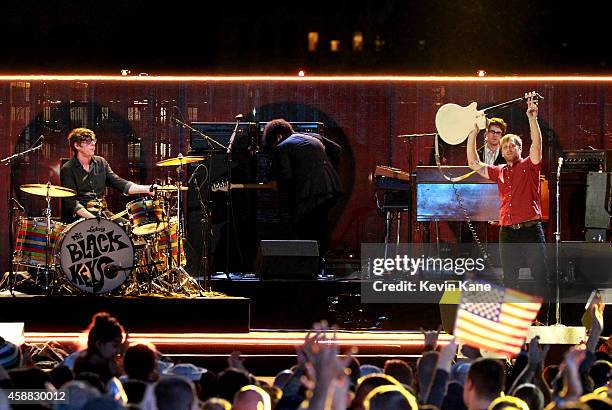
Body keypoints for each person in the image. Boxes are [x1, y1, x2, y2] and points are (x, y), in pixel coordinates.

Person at [467, 97, 548, 294]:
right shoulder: (499, 171)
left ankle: (541, 321)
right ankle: (512, 321)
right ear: (502, 152)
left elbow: (536, 145)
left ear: (520, 149)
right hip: (508, 232)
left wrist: (532, 118)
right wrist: (473, 133)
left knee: (539, 277)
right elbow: (474, 164)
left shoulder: (530, 165)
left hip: (530, 231)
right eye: (505, 147)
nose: (509, 148)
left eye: (513, 145)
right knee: (510, 279)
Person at [262, 119, 342, 256]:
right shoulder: (313, 136)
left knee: (307, 228)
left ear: (278, 136)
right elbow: (337, 149)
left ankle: (310, 266)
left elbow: (286, 176)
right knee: (320, 226)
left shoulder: (282, 147)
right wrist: (325, 169)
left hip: (313, 191)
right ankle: (320, 266)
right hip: (332, 185)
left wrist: (277, 186)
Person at [60, 127, 156, 222]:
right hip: (81, 218)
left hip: (103, 213)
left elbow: (120, 183)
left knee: (128, 229)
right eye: (88, 141)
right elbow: (71, 203)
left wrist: (147, 189)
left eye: (93, 140)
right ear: (77, 145)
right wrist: (92, 219)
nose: (93, 144)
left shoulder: (101, 163)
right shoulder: (68, 169)